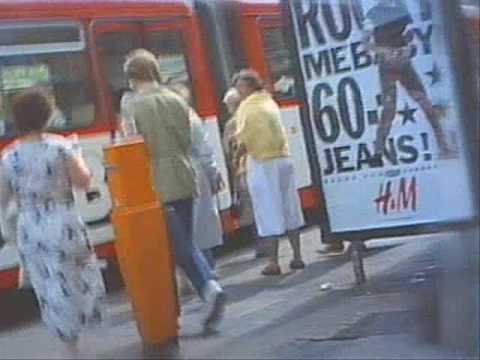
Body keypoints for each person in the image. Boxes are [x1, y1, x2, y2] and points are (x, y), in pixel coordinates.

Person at [121, 49, 225, 331]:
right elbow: (188, 140)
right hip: (184, 173)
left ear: (132, 77)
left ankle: (206, 286)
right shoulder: (176, 100)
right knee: (183, 238)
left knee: (172, 247)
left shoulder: (132, 107)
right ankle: (195, 297)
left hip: (154, 179)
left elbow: (131, 146)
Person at [0, 88, 105, 354]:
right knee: (76, 277)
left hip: (31, 227)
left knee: (49, 286)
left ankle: (68, 343)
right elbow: (83, 181)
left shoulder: (9, 157)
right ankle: (80, 330)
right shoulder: (61, 147)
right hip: (63, 222)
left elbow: (2, 196)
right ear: (46, 115)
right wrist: (78, 153)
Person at [232, 69, 306, 276]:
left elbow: (243, 138)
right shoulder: (269, 101)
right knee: (290, 206)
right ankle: (297, 256)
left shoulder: (247, 107)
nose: (238, 91)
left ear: (247, 87)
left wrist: (236, 160)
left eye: (239, 87)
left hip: (262, 161)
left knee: (267, 210)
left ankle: (273, 262)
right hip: (283, 157)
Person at [363, 0, 453, 159]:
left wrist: (407, 46)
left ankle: (444, 147)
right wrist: (386, 51)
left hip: (404, 64)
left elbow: (410, 34)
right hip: (388, 66)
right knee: (389, 111)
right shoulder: (373, 14)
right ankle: (377, 152)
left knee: (426, 105)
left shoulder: (401, 8)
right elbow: (367, 44)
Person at [222, 88, 270, 259]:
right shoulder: (250, 117)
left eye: (227, 105)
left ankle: (262, 245)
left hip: (243, 168)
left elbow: (229, 149)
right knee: (260, 205)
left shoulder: (231, 124)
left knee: (252, 207)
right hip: (257, 163)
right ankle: (268, 241)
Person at [190, 109, 224, 276]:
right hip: (195, 172)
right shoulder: (190, 117)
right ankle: (208, 272)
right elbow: (204, 150)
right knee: (201, 226)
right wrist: (213, 173)